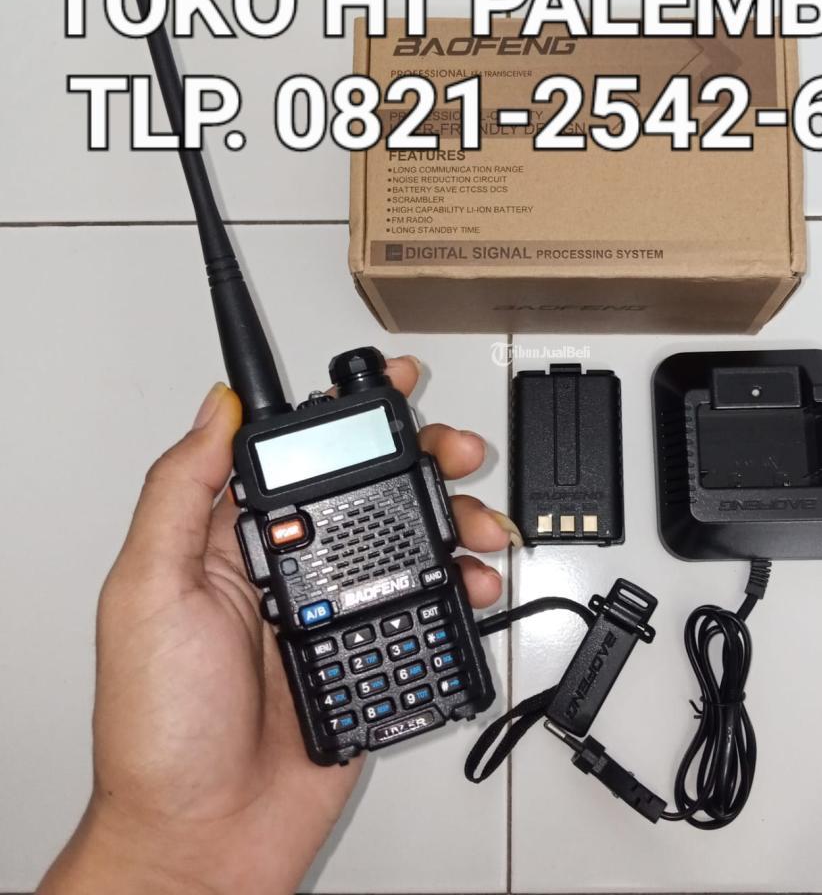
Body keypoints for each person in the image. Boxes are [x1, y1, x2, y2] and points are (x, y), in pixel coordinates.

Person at [39, 357, 518, 895]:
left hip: (410, 592)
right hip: (324, 622)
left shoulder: (403, 470)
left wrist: (166, 853)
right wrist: (164, 844)